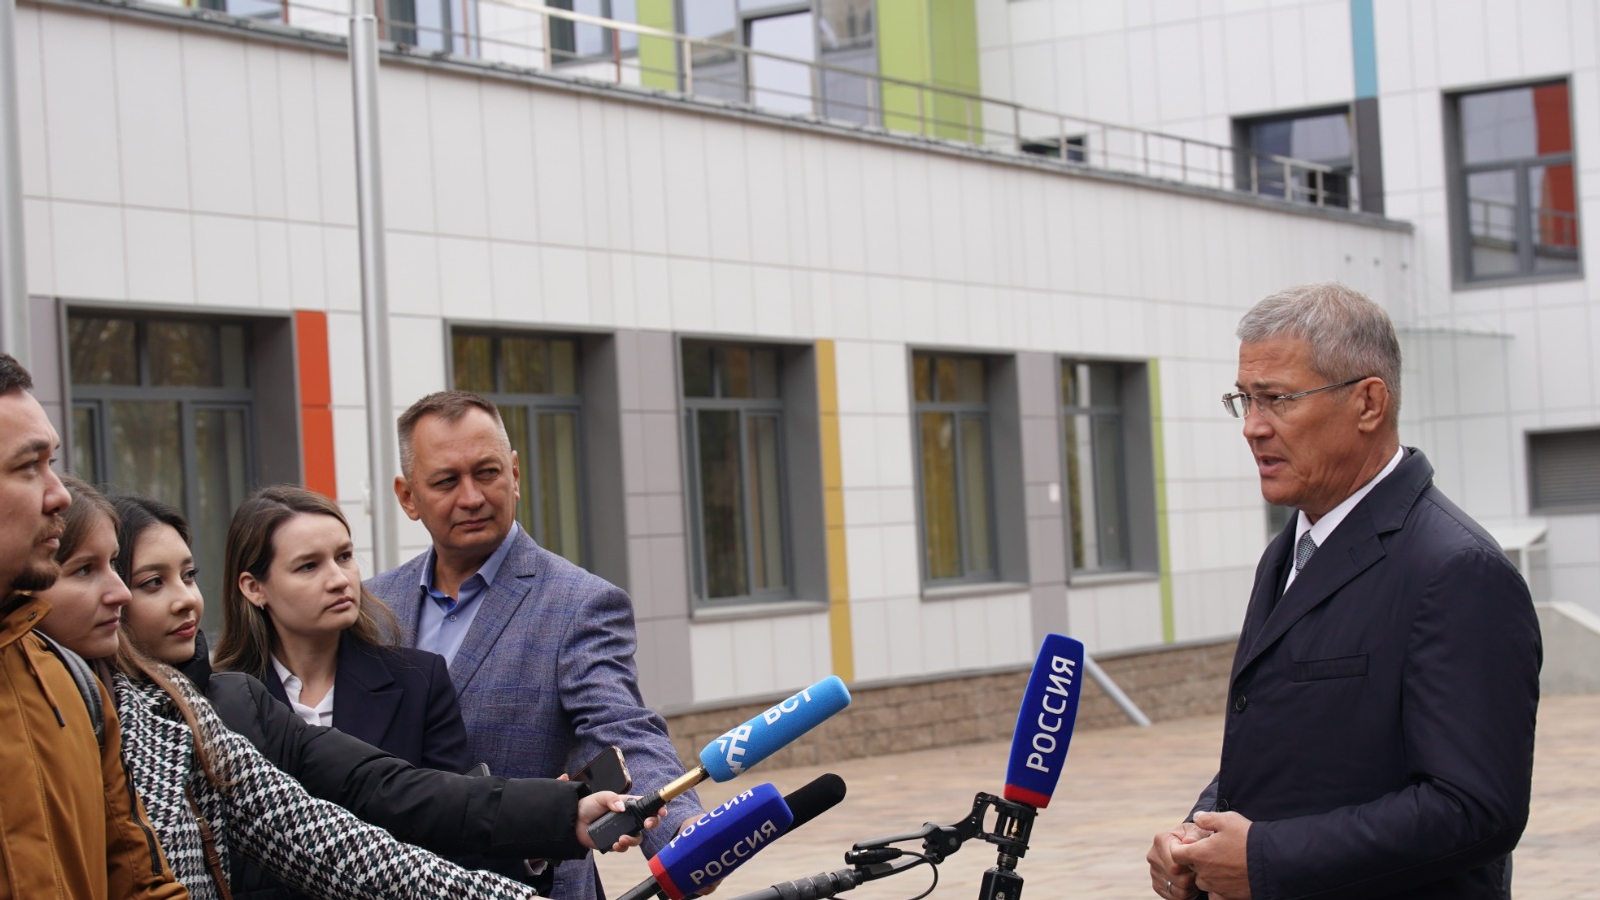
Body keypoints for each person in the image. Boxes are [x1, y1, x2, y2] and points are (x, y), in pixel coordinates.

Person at [40, 476, 647, 900]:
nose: (183, 598)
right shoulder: (82, 713)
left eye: (188, 575)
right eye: (148, 581)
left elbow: (373, 809)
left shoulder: (209, 710)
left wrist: (556, 813)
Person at [1146, 284, 1541, 900]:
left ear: (1368, 403)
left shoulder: (1456, 568)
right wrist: (1197, 835)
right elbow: (1293, 747)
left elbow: (1474, 809)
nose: (1252, 427)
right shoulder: (1288, 551)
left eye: (1277, 399)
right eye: (1244, 400)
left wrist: (1266, 859)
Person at [366, 390, 704, 900]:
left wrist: (681, 831)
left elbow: (620, 728)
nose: (472, 497)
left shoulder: (579, 604)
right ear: (408, 496)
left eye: (487, 473)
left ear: (515, 474)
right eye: (446, 481)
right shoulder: (372, 606)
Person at [0, 353, 187, 900]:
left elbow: (139, 883)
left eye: (52, 463)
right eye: (27, 467)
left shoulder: (69, 683)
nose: (58, 493)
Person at [216, 485, 469, 772]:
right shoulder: (218, 701)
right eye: (308, 566)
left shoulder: (420, 682)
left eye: (344, 556)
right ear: (254, 588)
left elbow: (452, 798)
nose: (339, 580)